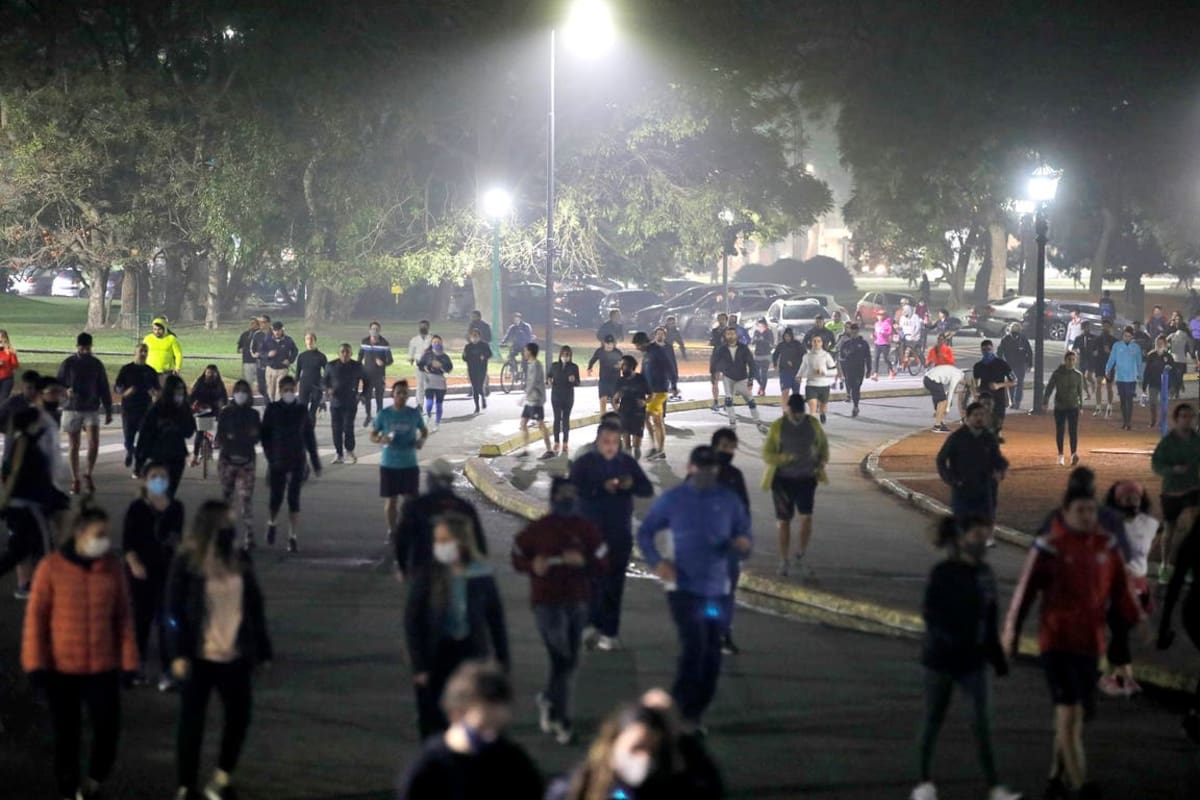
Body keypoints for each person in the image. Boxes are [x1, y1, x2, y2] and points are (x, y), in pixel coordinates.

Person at [1003, 477, 1142, 800]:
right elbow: (1025, 594)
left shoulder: (1104, 540)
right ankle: (1080, 786)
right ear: (1065, 511)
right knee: (1069, 715)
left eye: (1090, 510)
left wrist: (1135, 618)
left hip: (1090, 643)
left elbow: (1119, 582)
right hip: (1057, 640)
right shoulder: (1050, 544)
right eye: (1080, 510)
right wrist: (1011, 633)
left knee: (1075, 717)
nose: (1087, 516)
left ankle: (1056, 777)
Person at [21, 505, 138, 800]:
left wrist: (129, 662)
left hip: (103, 667)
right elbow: (36, 620)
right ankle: (68, 788)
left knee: (108, 729)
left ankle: (95, 780)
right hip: (62, 669)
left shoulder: (112, 568)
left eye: (106, 534)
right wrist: (35, 663)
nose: (104, 541)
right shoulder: (51, 568)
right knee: (66, 734)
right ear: (80, 534)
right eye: (99, 534)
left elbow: (123, 618)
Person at [638, 445, 752, 728]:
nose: (706, 474)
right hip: (684, 589)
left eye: (711, 469)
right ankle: (679, 711)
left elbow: (745, 537)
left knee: (712, 654)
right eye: (701, 468)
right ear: (690, 468)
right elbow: (645, 532)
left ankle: (695, 711)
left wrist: (742, 546)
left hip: (718, 590)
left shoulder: (728, 500)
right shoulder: (674, 499)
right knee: (694, 647)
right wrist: (657, 562)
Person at [167, 499, 272, 800]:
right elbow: (173, 608)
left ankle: (221, 778)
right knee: (192, 722)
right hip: (198, 656)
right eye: (227, 521)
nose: (231, 526)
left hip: (234, 655)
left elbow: (255, 605)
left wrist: (263, 649)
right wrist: (178, 653)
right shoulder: (188, 559)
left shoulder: (239, 557)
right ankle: (186, 785)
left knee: (239, 717)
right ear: (210, 525)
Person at [910, 516, 1019, 800]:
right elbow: (931, 616)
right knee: (933, 719)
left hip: (973, 662)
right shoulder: (943, 573)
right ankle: (923, 783)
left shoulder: (985, 574)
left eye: (985, 537)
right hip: (940, 660)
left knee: (981, 725)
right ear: (961, 539)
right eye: (977, 536)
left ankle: (995, 787)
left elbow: (990, 618)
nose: (982, 543)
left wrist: (997, 658)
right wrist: (950, 640)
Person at [512, 478, 607, 744]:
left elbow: (603, 561)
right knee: (562, 657)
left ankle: (549, 699)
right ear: (553, 498)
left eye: (571, 494)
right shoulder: (538, 529)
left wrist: (584, 561)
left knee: (569, 660)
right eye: (562, 494)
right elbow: (517, 554)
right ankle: (560, 719)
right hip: (547, 603)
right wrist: (533, 565)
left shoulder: (586, 529)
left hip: (577, 602)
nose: (567, 499)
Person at [404, 514, 510, 738]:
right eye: (437, 541)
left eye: (444, 540)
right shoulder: (428, 573)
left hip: (471, 651)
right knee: (434, 717)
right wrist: (419, 665)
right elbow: (413, 621)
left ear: (461, 542)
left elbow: (495, 620)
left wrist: (502, 661)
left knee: (471, 715)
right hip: (436, 653)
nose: (439, 546)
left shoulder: (481, 574)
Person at [396, 663, 543, 800]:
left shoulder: (514, 764)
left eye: (497, 727)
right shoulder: (428, 771)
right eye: (483, 726)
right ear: (456, 714)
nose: (490, 736)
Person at [570, 422, 653, 651]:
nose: (610, 447)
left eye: (615, 442)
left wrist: (630, 484)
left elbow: (646, 489)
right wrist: (600, 487)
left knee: (614, 584)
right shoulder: (584, 463)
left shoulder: (626, 463)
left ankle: (609, 631)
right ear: (597, 441)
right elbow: (573, 490)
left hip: (619, 534)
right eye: (606, 442)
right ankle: (589, 624)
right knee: (591, 581)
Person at [548, 696, 724, 800]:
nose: (645, 758)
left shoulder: (670, 788)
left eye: (654, 751)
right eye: (637, 747)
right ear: (613, 744)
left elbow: (710, 790)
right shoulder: (574, 789)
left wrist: (679, 736)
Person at [121, 461, 185, 690]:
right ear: (145, 480)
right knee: (141, 620)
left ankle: (168, 671)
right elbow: (128, 542)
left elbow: (176, 538)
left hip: (166, 571)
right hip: (141, 572)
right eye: (154, 476)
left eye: (163, 476)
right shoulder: (137, 508)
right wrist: (134, 564)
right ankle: (136, 667)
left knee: (168, 623)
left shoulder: (176, 507)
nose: (159, 480)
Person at [0, 406, 71, 599]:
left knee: (18, 551)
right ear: (30, 423)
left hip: (24, 503)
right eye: (38, 421)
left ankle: (42, 585)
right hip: (28, 505)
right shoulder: (24, 441)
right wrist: (5, 499)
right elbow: (14, 472)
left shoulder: (24, 439)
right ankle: (49, 586)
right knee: (43, 546)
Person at [1097, 481, 1158, 698]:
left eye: (1135, 497)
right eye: (1126, 497)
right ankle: (1127, 679)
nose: (1131, 501)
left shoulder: (1150, 524)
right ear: (1116, 501)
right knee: (1120, 632)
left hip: (1139, 586)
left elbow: (1148, 548)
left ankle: (1110, 676)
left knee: (1121, 634)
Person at [762, 394, 829, 576]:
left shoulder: (813, 424)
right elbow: (767, 453)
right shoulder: (778, 426)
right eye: (795, 412)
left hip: (807, 479)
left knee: (806, 518)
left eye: (801, 412)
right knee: (784, 521)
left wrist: (822, 460)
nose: (798, 416)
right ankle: (784, 560)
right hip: (782, 481)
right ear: (788, 410)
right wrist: (784, 458)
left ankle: (801, 555)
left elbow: (823, 445)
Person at [260, 375, 322, 553]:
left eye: (291, 390)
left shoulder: (301, 410)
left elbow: (309, 437)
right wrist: (270, 456)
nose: (289, 393)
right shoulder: (273, 409)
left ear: (295, 390)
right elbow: (265, 435)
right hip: (278, 459)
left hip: (297, 459)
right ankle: (272, 522)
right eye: (285, 390)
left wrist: (315, 461)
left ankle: (292, 536)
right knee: (276, 497)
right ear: (280, 391)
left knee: (294, 499)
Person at [394, 460, 487, 577]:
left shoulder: (416, 506)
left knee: (420, 587)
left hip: (423, 568)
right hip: (459, 569)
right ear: (451, 480)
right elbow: (479, 543)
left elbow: (402, 540)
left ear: (429, 479)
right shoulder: (465, 507)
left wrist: (403, 568)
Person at [1157, 507, 1200, 742]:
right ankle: (1193, 715)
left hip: (1193, 611)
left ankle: (1193, 715)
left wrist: (1165, 624)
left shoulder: (1192, 541)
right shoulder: (1193, 542)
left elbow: (1175, 585)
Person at [937, 402, 1008, 532]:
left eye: (982, 415)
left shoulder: (988, 438)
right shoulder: (957, 438)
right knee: (963, 528)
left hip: (984, 491)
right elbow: (941, 460)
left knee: (983, 528)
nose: (979, 418)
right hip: (963, 491)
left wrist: (1000, 470)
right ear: (967, 418)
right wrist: (952, 479)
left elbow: (998, 459)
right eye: (975, 415)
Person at [56, 332, 113, 495]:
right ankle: (75, 479)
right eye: (82, 348)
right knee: (74, 445)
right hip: (71, 407)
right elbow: (58, 383)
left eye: (88, 348)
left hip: (91, 407)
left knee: (94, 442)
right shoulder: (69, 363)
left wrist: (108, 409)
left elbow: (103, 386)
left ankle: (88, 472)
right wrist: (65, 391)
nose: (86, 351)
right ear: (78, 347)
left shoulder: (96, 364)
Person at [371, 380, 428, 537]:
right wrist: (381, 439)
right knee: (391, 500)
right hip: (389, 464)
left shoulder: (413, 414)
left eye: (405, 393)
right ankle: (392, 530)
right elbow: (373, 435)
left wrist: (421, 441)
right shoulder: (384, 414)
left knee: (411, 501)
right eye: (399, 393)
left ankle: (408, 528)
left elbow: (424, 430)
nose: (402, 396)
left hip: (409, 463)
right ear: (392, 395)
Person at [1150, 403, 1200, 583]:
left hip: (1193, 489)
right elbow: (1156, 464)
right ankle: (1164, 565)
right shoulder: (1167, 442)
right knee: (1169, 529)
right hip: (1171, 491)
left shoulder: (1196, 440)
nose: (1187, 420)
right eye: (1184, 416)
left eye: (1190, 416)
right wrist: (1172, 470)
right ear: (1176, 419)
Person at [712, 428, 749, 655]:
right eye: (724, 446)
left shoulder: (735, 475)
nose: (728, 452)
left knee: (727, 592)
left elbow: (744, 509)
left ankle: (724, 633)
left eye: (731, 448)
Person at [216, 380, 261, 550]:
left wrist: (235, 436)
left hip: (246, 461)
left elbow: (256, 436)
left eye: (244, 391)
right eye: (238, 390)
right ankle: (225, 534)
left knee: (245, 498)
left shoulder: (253, 414)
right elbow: (221, 436)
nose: (241, 394)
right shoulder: (226, 413)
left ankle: (249, 534)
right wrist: (241, 436)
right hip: (227, 460)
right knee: (226, 498)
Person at [136, 374, 198, 498]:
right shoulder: (157, 409)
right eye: (177, 390)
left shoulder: (184, 408)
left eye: (182, 390)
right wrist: (139, 461)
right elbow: (145, 435)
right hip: (159, 456)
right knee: (158, 493)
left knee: (170, 492)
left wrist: (183, 417)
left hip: (177, 456)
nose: (180, 393)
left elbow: (189, 432)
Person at [114, 344, 160, 471]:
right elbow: (117, 387)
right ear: (135, 353)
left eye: (146, 351)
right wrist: (125, 392)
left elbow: (158, 390)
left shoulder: (151, 371)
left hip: (145, 408)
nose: (144, 353)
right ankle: (130, 451)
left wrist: (155, 394)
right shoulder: (126, 369)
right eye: (141, 351)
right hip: (129, 408)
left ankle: (139, 462)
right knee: (128, 438)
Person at [711, 325, 766, 431]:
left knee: (750, 401)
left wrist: (751, 379)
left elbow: (751, 364)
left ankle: (758, 422)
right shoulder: (722, 349)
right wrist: (714, 374)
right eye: (728, 334)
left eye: (732, 334)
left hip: (742, 378)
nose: (730, 336)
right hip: (728, 377)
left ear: (736, 335)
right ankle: (732, 422)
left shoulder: (743, 348)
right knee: (728, 399)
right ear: (725, 336)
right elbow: (715, 362)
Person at [633, 331, 672, 459]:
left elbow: (669, 366)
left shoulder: (657, 351)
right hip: (652, 392)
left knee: (645, 416)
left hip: (659, 391)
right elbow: (644, 373)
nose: (637, 348)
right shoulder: (647, 355)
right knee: (657, 420)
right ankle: (659, 449)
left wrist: (674, 384)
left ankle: (655, 447)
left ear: (643, 343)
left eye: (638, 345)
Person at [324, 343, 365, 464]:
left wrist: (363, 394)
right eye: (342, 351)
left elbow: (367, 381)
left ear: (351, 353)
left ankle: (350, 450)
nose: (345, 354)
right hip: (335, 402)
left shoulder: (357, 366)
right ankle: (339, 453)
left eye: (347, 352)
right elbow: (323, 381)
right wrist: (328, 389)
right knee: (336, 429)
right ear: (338, 353)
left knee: (348, 427)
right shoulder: (331, 365)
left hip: (350, 402)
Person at [1044, 351, 1084, 466]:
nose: (1071, 362)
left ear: (1075, 361)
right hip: (1060, 406)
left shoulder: (1078, 375)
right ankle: (1060, 455)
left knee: (1073, 431)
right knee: (1060, 431)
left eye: (1073, 359)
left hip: (1073, 406)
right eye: (1069, 359)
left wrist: (1081, 406)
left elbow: (1080, 392)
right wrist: (1045, 401)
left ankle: (1073, 454)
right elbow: (1049, 388)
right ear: (1065, 360)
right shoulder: (1057, 374)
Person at [972, 340, 1015, 441]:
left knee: (999, 417)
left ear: (993, 349)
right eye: (984, 350)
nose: (986, 352)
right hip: (985, 397)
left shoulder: (1002, 364)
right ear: (981, 351)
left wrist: (999, 385)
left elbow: (1014, 381)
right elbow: (975, 382)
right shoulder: (978, 366)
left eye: (988, 349)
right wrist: (976, 394)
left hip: (999, 396)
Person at [517, 342, 554, 459]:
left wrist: (524, 396)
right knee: (523, 423)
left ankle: (549, 450)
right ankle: (526, 449)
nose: (524, 353)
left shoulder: (536, 365)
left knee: (540, 425)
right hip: (530, 400)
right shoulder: (531, 364)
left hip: (535, 400)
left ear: (530, 352)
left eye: (525, 350)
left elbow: (533, 382)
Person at [1105, 326, 1143, 431]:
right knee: (1122, 400)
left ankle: (1128, 422)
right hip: (1120, 377)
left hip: (1131, 378)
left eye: (1129, 336)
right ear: (1123, 335)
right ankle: (1125, 420)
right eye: (1125, 336)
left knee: (1129, 399)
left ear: (1132, 337)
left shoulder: (1136, 347)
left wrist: (1141, 376)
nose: (1127, 338)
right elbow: (1112, 359)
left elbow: (1139, 363)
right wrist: (1107, 369)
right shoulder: (1117, 346)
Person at [188, 364, 228, 467]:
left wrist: (222, 404)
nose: (210, 375)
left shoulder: (219, 384)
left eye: (212, 373)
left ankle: (217, 440)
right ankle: (195, 455)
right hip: (202, 411)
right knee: (200, 433)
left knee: (223, 422)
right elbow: (192, 396)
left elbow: (225, 398)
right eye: (208, 373)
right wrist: (192, 406)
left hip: (215, 411)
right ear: (205, 373)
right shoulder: (200, 383)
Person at [613, 354, 651, 459]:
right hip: (624, 412)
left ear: (631, 366)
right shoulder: (620, 380)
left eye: (624, 365)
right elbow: (615, 399)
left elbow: (651, 395)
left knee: (636, 444)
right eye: (621, 366)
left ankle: (636, 461)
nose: (622, 368)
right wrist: (616, 404)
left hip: (638, 413)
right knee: (626, 443)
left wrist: (645, 402)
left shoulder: (640, 379)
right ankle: (629, 464)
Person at [358, 321, 394, 425]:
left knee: (379, 397)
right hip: (367, 375)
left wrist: (383, 363)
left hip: (379, 375)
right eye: (373, 329)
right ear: (369, 330)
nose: (375, 331)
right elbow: (360, 356)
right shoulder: (364, 341)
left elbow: (390, 360)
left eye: (377, 329)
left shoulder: (384, 343)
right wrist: (358, 368)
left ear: (379, 330)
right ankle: (368, 415)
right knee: (367, 397)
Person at [548, 345, 580, 455]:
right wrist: (549, 380)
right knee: (557, 419)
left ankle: (565, 442)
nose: (565, 357)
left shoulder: (574, 367)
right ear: (560, 355)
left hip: (568, 397)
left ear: (570, 356)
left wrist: (573, 380)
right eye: (563, 354)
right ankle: (556, 442)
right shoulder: (554, 366)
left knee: (566, 419)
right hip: (556, 396)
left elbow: (578, 382)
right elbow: (548, 376)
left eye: (567, 355)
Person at [798, 332, 837, 424]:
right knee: (812, 408)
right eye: (814, 341)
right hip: (811, 385)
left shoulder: (826, 355)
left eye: (818, 341)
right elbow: (802, 367)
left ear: (822, 343)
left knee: (823, 407)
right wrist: (799, 375)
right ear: (811, 342)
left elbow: (834, 371)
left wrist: (824, 372)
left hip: (824, 385)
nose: (816, 343)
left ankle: (822, 413)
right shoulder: (807, 356)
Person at [417, 334, 452, 432]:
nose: (436, 344)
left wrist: (441, 366)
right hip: (429, 380)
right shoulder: (427, 355)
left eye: (438, 342)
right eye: (434, 342)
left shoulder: (445, 356)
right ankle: (428, 415)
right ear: (431, 344)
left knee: (439, 404)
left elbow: (449, 368)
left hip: (440, 382)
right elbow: (420, 365)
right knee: (429, 402)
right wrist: (425, 368)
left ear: (441, 343)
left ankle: (437, 423)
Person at [838, 323, 872, 417]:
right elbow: (842, 357)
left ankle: (855, 406)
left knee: (857, 387)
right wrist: (842, 372)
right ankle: (855, 405)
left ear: (858, 331)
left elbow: (868, 357)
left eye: (855, 331)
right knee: (852, 387)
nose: (854, 333)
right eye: (852, 331)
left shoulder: (863, 343)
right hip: (849, 369)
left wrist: (869, 370)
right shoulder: (846, 344)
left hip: (859, 369)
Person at [996, 323, 1033, 411]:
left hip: (1012, 365)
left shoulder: (1007, 339)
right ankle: (1016, 402)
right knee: (1018, 383)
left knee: (1012, 383)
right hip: (1017, 364)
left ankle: (1013, 402)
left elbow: (999, 352)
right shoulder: (1021, 339)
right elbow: (1029, 352)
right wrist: (1029, 364)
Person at [1143, 335, 1176, 429]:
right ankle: (1153, 420)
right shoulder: (1151, 356)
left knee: (1164, 404)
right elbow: (1147, 371)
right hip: (1153, 383)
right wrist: (1144, 385)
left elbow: (1173, 371)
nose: (1159, 345)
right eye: (1158, 343)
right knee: (1153, 402)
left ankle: (1163, 421)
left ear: (1165, 344)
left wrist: (1173, 385)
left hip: (1165, 385)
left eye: (1161, 343)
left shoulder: (1168, 357)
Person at [296, 331, 328, 423]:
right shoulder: (301, 356)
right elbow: (297, 373)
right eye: (307, 339)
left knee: (312, 411)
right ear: (305, 341)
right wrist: (294, 384)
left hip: (316, 385)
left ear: (315, 341)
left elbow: (328, 372)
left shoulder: (321, 356)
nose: (309, 341)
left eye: (311, 339)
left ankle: (310, 427)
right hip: (304, 384)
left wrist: (325, 384)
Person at [587, 335, 623, 415]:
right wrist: (589, 368)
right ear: (604, 343)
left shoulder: (618, 353)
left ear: (614, 344)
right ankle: (603, 420)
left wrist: (620, 366)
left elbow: (623, 364)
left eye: (611, 343)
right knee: (603, 401)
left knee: (614, 403)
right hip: (603, 381)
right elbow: (593, 360)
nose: (609, 345)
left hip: (615, 381)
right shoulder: (600, 351)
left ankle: (620, 418)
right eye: (607, 343)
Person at [263, 321, 298, 402]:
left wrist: (290, 360)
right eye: (275, 330)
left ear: (282, 330)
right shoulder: (267, 339)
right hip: (270, 369)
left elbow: (295, 351)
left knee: (279, 393)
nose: (277, 332)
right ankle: (273, 406)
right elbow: (261, 352)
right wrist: (268, 354)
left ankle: (279, 407)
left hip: (282, 369)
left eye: (278, 330)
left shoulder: (288, 340)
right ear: (272, 330)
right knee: (270, 393)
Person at [924, 364, 965, 432]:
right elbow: (951, 391)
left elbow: (946, 389)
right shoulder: (958, 376)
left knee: (940, 402)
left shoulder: (957, 372)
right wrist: (948, 408)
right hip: (932, 380)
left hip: (929, 379)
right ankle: (937, 426)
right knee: (943, 401)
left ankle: (940, 422)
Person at [1091, 320, 1118, 417]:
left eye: (1107, 326)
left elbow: (1117, 355)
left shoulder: (1114, 340)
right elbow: (1093, 351)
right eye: (1104, 326)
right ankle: (1098, 407)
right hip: (1099, 364)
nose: (1105, 328)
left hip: (1109, 366)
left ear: (1110, 328)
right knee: (1098, 385)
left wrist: (1109, 351)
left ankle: (1109, 406)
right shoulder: (1097, 339)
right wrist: (1095, 353)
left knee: (1109, 386)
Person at [772, 327, 806, 405]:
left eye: (788, 336)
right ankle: (785, 408)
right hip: (784, 371)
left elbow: (804, 356)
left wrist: (795, 363)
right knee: (785, 391)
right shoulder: (781, 345)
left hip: (796, 372)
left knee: (796, 392)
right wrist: (775, 363)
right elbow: (775, 354)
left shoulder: (797, 344)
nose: (787, 338)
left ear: (791, 336)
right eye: (785, 336)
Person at [463, 327, 492, 413]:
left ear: (479, 336)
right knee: (474, 388)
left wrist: (484, 356)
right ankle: (477, 407)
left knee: (479, 386)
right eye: (473, 336)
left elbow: (490, 354)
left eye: (476, 336)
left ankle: (483, 397)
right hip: (472, 369)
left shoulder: (484, 345)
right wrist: (465, 356)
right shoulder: (468, 347)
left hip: (481, 369)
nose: (474, 337)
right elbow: (464, 358)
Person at [1071, 320, 1100, 407]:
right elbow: (1074, 348)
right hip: (1082, 360)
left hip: (1091, 360)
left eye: (1087, 327)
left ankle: (1093, 383)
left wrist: (1096, 352)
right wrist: (1076, 352)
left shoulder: (1094, 337)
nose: (1086, 329)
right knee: (1082, 378)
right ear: (1082, 328)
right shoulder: (1078, 338)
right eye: (1084, 327)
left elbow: (1098, 347)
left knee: (1088, 376)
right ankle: (1088, 394)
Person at [708, 312, 731, 413]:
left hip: (726, 357)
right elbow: (713, 341)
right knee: (714, 380)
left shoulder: (730, 331)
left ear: (726, 320)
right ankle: (715, 401)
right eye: (719, 319)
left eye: (723, 319)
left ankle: (727, 401)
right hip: (716, 357)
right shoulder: (714, 330)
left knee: (728, 381)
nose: (721, 321)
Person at [407, 320, 434, 407]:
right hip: (419, 365)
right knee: (420, 385)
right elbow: (411, 351)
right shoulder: (414, 340)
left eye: (424, 326)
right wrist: (411, 359)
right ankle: (419, 405)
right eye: (421, 326)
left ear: (428, 327)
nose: (423, 328)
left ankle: (430, 403)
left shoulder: (432, 338)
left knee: (430, 385)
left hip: (430, 366)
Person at [653, 326, 683, 400]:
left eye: (662, 334)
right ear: (655, 335)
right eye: (658, 334)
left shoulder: (669, 347)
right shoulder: (651, 347)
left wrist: (674, 380)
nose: (660, 336)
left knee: (663, 397)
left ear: (664, 336)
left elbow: (672, 362)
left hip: (665, 375)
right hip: (653, 375)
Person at [1166, 321, 1193, 399]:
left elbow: (1164, 342)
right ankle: (1177, 391)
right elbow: (1191, 346)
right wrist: (1191, 353)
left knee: (1174, 376)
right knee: (1179, 376)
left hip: (1172, 358)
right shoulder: (1186, 336)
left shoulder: (1172, 335)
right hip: (1182, 359)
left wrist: (1169, 348)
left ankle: (1173, 390)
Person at [751, 318, 774, 396]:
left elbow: (771, 343)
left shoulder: (769, 332)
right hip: (757, 355)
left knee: (764, 373)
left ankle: (762, 389)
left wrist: (763, 340)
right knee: (755, 373)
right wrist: (756, 339)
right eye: (759, 323)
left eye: (762, 323)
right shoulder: (756, 332)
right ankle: (761, 385)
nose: (761, 325)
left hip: (766, 355)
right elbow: (752, 342)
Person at [235, 318, 259, 389]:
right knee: (248, 382)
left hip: (258, 362)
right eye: (250, 323)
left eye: (253, 323)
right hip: (247, 361)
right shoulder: (244, 334)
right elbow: (239, 348)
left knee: (259, 382)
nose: (251, 324)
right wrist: (240, 350)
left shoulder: (260, 334)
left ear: (258, 324)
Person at [872, 313, 896, 380]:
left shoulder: (887, 324)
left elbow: (890, 332)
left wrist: (883, 332)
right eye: (878, 316)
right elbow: (875, 332)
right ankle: (875, 374)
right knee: (876, 358)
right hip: (877, 343)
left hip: (885, 344)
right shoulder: (876, 324)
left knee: (886, 358)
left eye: (881, 316)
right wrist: (873, 335)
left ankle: (891, 371)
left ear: (884, 316)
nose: (879, 317)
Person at [0, 328, 20, 403]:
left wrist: (13, 355)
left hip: (6, 379)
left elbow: (15, 365)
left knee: (3, 400)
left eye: (1, 338)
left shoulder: (9, 351)